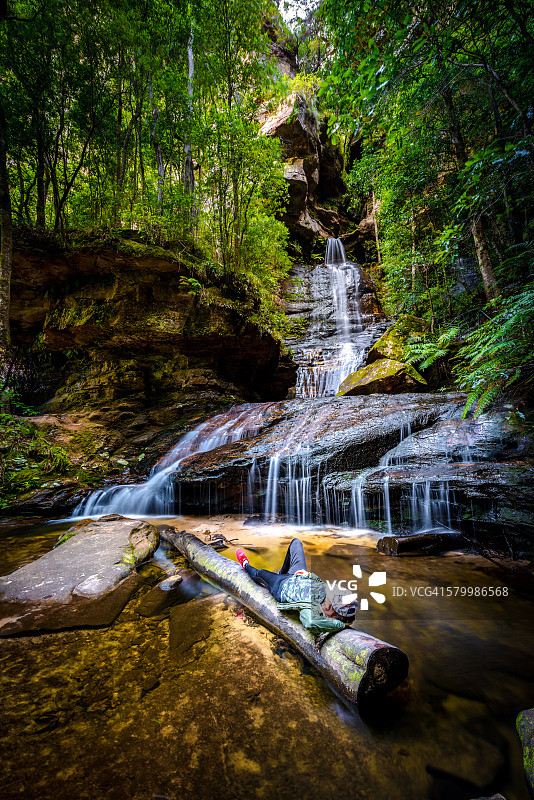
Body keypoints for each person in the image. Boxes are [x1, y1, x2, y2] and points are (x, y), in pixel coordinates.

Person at [235, 538, 357, 635]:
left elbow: (310, 623)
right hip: (299, 576)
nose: (327, 597)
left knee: (260, 574)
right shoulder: (330, 595)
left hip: (281, 586)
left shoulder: (311, 609)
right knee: (296, 543)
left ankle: (245, 564)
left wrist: (340, 625)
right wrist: (309, 575)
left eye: (328, 603)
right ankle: (282, 572)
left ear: (332, 615)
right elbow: (321, 584)